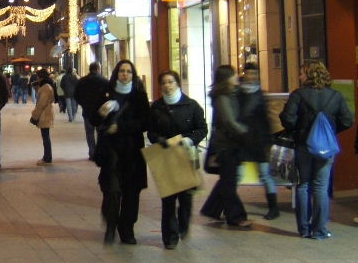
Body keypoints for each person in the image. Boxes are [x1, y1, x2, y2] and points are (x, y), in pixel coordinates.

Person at [280, 60, 353, 239]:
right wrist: (330, 131)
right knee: (321, 187)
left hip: (304, 145)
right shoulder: (335, 96)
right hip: (326, 147)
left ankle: (304, 229)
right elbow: (347, 120)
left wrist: (299, 130)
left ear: (310, 75)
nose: (299, 76)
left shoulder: (298, 95)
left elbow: (287, 118)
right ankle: (319, 230)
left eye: (302, 72)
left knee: (303, 185)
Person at [147, 70, 208, 249]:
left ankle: (183, 225)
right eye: (164, 83)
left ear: (177, 84)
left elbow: (202, 128)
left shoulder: (192, 105)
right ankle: (170, 237)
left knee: (186, 198)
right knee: (168, 200)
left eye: (170, 82)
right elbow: (151, 132)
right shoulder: (156, 107)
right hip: (165, 156)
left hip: (186, 155)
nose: (167, 86)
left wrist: (190, 140)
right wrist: (161, 141)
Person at [94, 59, 150, 244]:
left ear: (133, 75)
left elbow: (145, 122)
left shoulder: (139, 96)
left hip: (132, 151)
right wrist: (102, 112)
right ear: (116, 73)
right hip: (111, 151)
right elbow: (95, 120)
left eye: (128, 71)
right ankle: (111, 225)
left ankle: (127, 229)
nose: (125, 74)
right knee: (112, 190)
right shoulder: (106, 93)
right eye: (122, 71)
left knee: (131, 193)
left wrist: (121, 127)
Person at [200, 65, 251, 229]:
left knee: (228, 179)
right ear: (227, 78)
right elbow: (229, 121)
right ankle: (236, 216)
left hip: (231, 143)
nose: (237, 76)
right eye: (234, 74)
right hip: (227, 145)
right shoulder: (223, 97)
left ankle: (212, 209)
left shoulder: (231, 94)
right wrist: (244, 132)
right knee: (229, 181)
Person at [238, 62, 278, 219]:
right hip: (242, 140)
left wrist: (268, 140)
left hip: (259, 141)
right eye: (249, 73)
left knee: (265, 174)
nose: (252, 77)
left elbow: (267, 120)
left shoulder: (261, 95)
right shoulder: (238, 94)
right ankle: (228, 206)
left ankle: (273, 208)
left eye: (254, 74)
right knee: (237, 175)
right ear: (244, 74)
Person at [75, 62, 109, 160]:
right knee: (101, 133)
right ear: (98, 69)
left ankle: (92, 153)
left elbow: (76, 95)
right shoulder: (104, 81)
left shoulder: (82, 81)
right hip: (101, 112)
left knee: (89, 133)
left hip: (87, 112)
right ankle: (100, 152)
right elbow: (109, 96)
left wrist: (83, 104)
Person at [30, 67, 55, 164]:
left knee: (45, 137)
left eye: (38, 77)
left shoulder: (46, 87)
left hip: (45, 114)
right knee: (45, 136)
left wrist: (35, 115)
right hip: (47, 112)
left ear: (41, 77)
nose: (37, 79)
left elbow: (41, 103)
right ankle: (47, 157)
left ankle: (47, 158)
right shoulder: (46, 86)